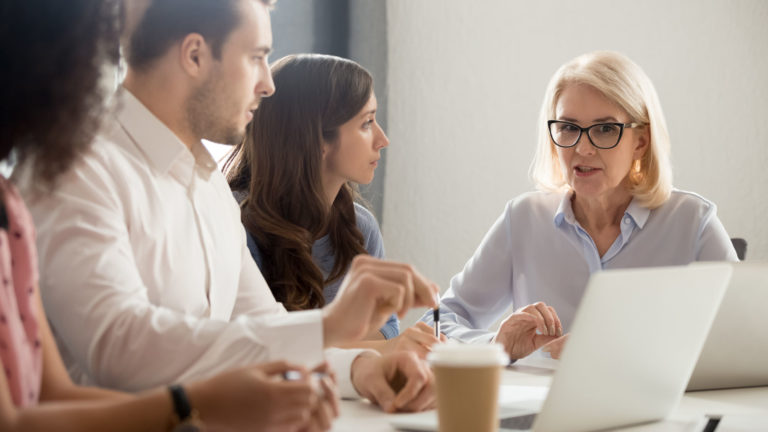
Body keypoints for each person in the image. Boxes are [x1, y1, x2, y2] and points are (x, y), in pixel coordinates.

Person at [16, 0, 437, 415]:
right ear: (195, 55)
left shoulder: (208, 184)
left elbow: (258, 324)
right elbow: (119, 345)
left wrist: (365, 369)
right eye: (256, 58)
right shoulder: (76, 167)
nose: (268, 84)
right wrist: (329, 326)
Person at [421, 51, 738, 361]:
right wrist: (496, 344)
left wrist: (628, 353)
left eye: (604, 129)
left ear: (640, 141)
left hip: (658, 409)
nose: (582, 148)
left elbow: (745, 340)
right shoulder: (524, 219)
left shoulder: (692, 222)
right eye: (569, 128)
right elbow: (436, 323)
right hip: (542, 410)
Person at [226, 54, 442, 358]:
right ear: (317, 139)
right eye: (366, 123)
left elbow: (387, 327)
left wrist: (393, 343)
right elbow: (263, 346)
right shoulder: (236, 225)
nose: (383, 139)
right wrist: (387, 348)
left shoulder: (360, 226)